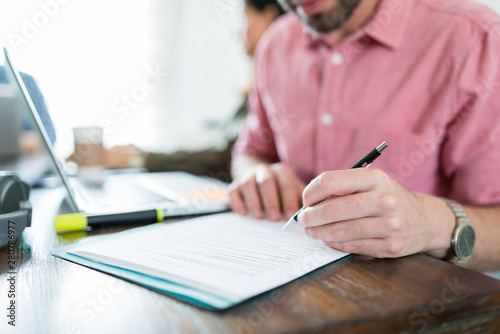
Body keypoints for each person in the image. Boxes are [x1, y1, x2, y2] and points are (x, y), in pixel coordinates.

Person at [228, 0, 500, 272]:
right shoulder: (276, 41)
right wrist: (255, 173)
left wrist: (432, 226)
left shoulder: (475, 39)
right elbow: (251, 151)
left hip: (418, 304)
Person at [99, 0, 285, 181]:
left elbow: (223, 157)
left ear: (268, 17)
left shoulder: (279, 84)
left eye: (244, 19)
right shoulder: (257, 85)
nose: (237, 32)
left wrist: (138, 158)